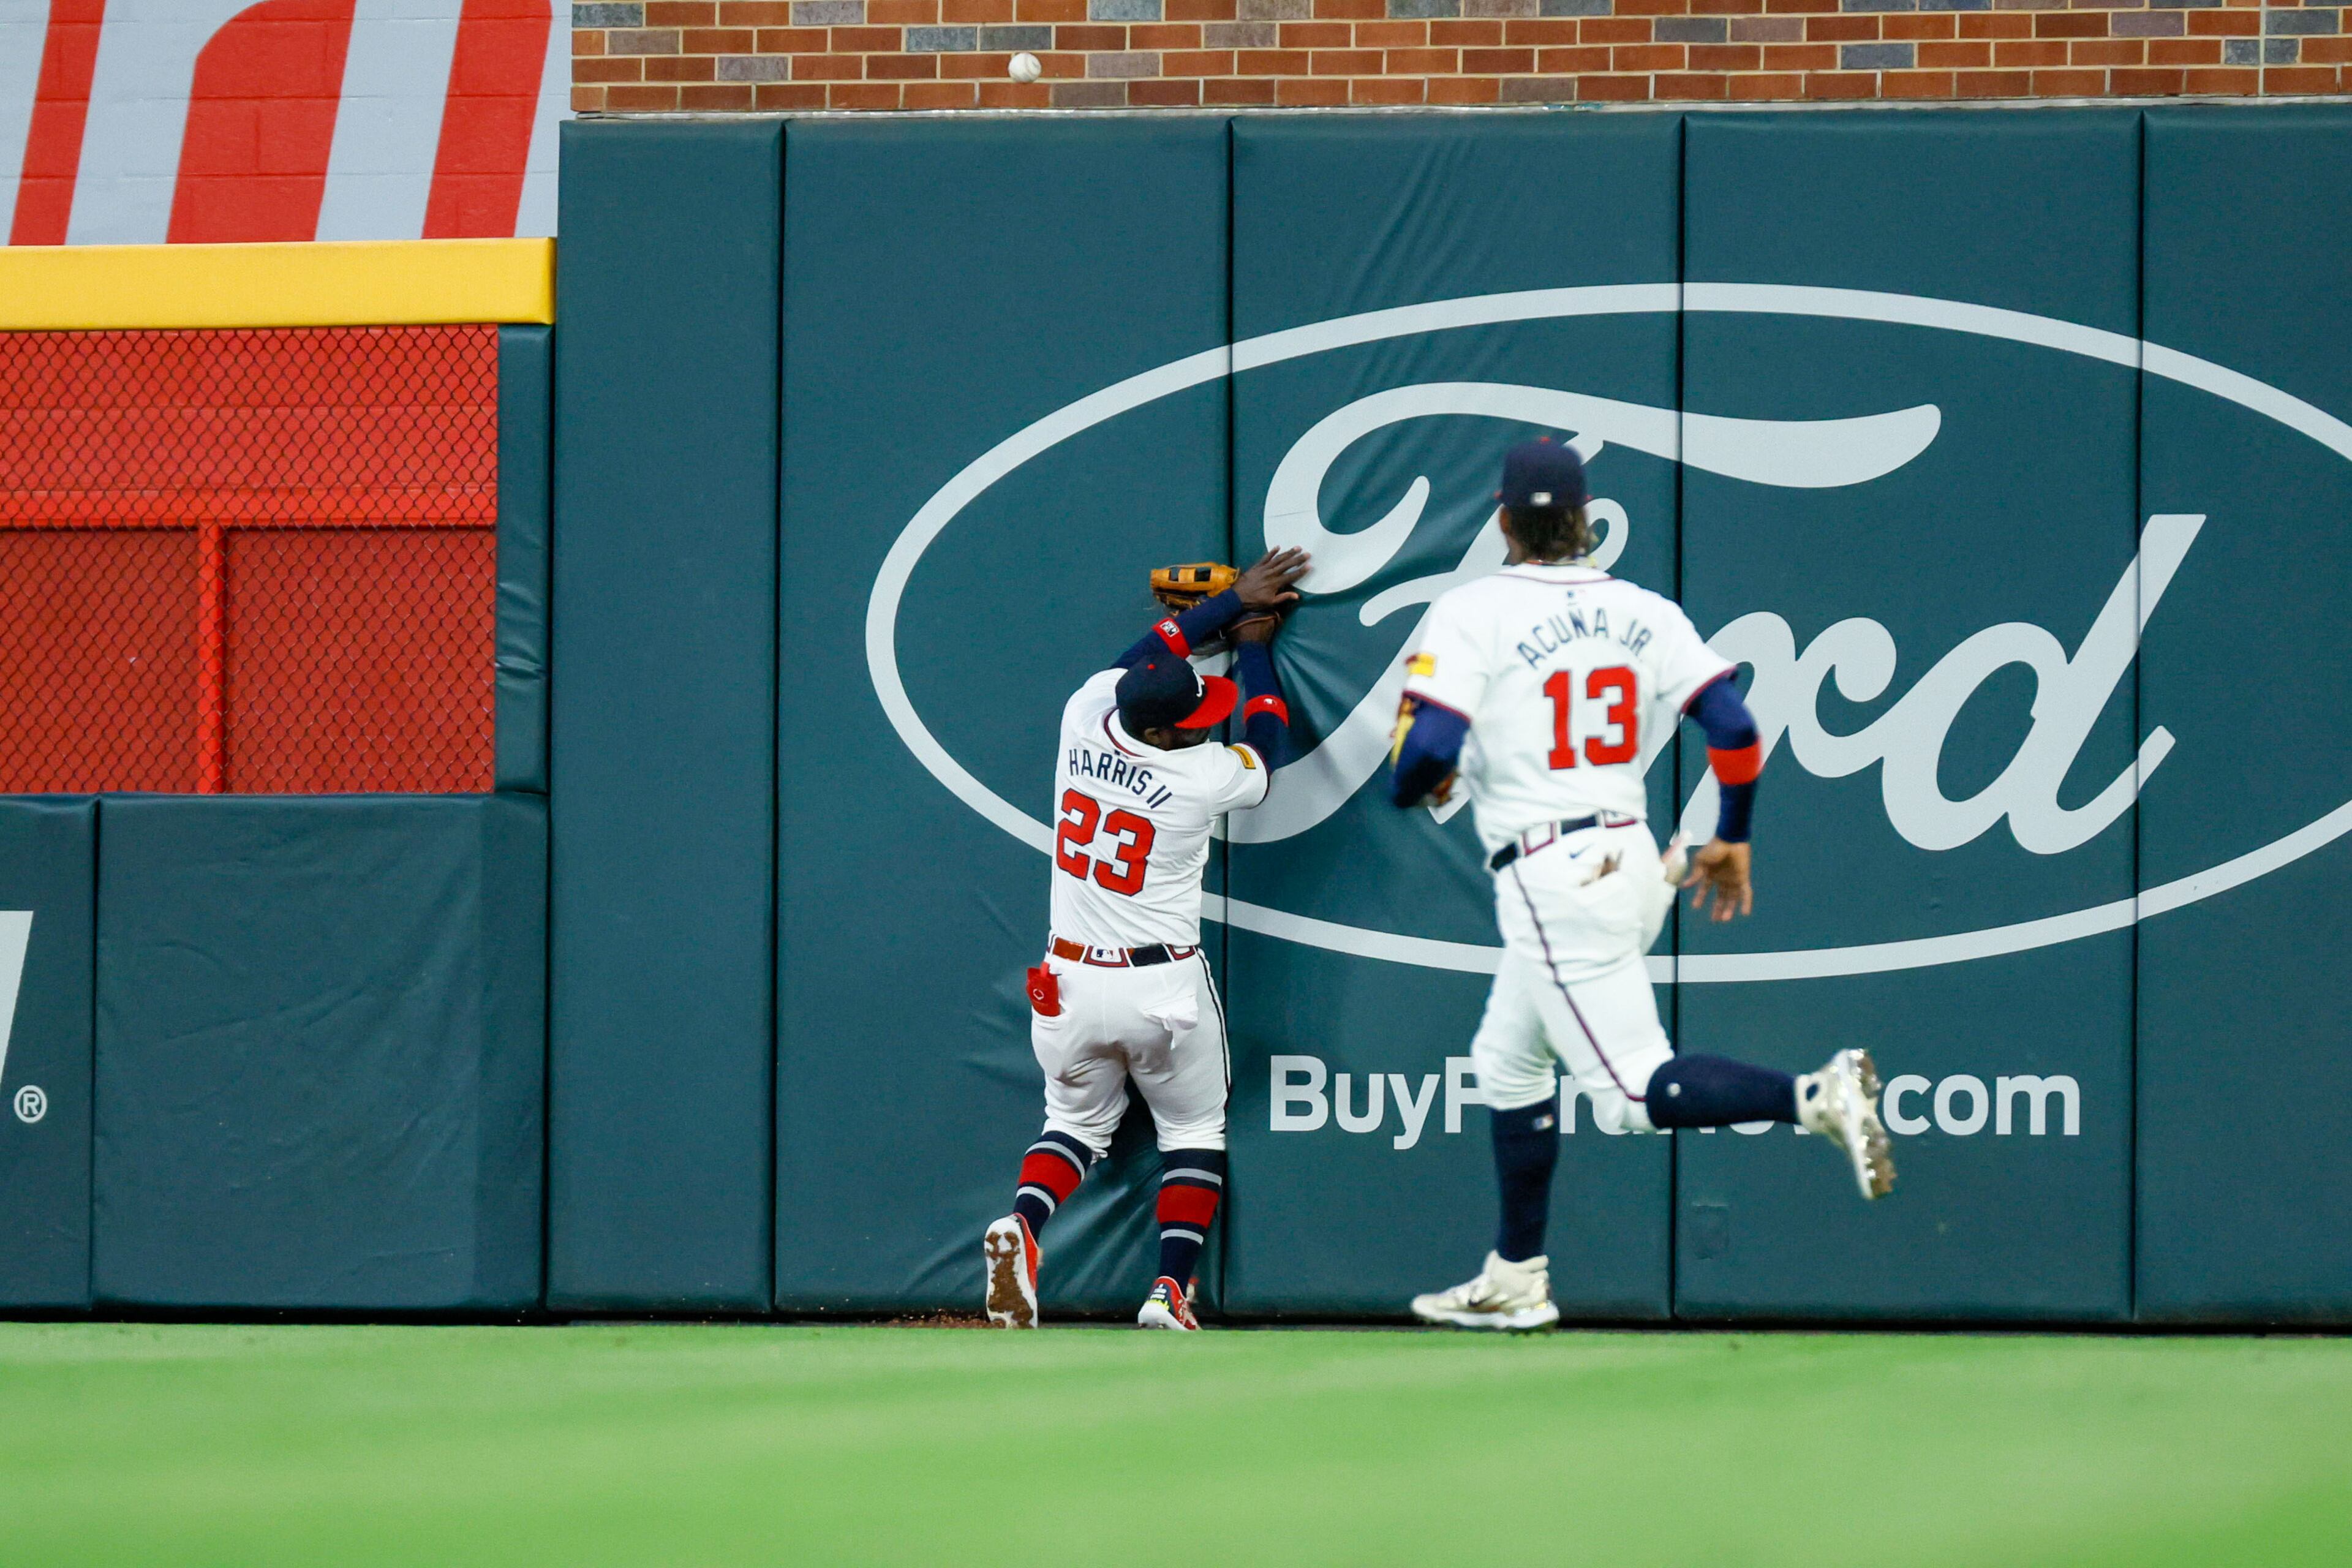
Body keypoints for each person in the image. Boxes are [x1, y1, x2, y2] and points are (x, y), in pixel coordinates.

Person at [1389, 439, 1893, 1332]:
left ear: (1504, 520)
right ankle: (1516, 1276)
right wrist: (1734, 838)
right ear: (1583, 520)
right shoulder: (1646, 611)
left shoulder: (1474, 610)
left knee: (1629, 1097)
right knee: (1507, 1061)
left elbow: (1428, 750)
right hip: (1628, 853)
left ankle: (1815, 1096)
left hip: (1552, 875)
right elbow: (1734, 727)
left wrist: (1409, 785)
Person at [984, 548, 1312, 1332]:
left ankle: (1024, 1228)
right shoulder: (1195, 776)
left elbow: (1148, 656)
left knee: (1071, 1126)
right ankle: (1169, 1290)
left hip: (1066, 983)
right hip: (1159, 986)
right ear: (1166, 730)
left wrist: (1224, 606)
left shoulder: (1087, 709)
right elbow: (1266, 742)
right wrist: (1257, 644)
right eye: (1193, 717)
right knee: (1194, 1129)